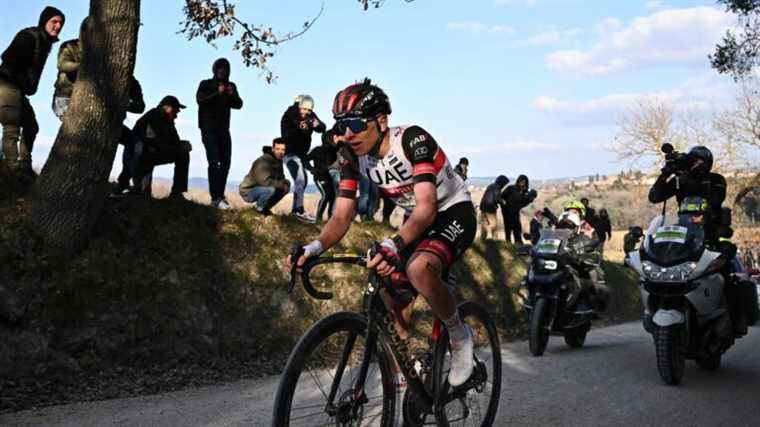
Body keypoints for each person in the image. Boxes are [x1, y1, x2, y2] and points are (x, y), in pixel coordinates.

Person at [289, 79, 476, 387]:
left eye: (355, 124)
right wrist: (313, 248)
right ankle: (408, 371)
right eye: (342, 126)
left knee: (418, 268)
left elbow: (427, 206)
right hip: (418, 219)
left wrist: (392, 242)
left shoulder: (412, 140)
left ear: (381, 120)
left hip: (452, 211)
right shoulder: (351, 156)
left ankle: (459, 334)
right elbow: (342, 214)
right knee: (390, 285)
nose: (348, 134)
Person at [648, 145, 745, 333]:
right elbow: (655, 197)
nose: (692, 164)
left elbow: (715, 199)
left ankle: (736, 318)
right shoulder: (679, 180)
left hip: (710, 236)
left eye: (696, 161)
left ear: (707, 163)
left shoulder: (716, 180)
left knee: (727, 272)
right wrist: (665, 174)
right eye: (690, 160)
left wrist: (688, 179)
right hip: (684, 237)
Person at [0, 6, 65, 178]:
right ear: (45, 22)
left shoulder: (44, 42)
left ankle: (24, 166)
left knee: (31, 126)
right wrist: (22, 78)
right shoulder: (30, 36)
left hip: (18, 89)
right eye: (54, 22)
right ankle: (12, 170)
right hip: (6, 85)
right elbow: (7, 57)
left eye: (61, 23)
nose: (58, 26)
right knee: (11, 127)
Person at [196, 58, 243, 210]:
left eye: (225, 68)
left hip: (224, 130)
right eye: (219, 68)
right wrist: (218, 93)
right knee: (214, 161)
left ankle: (220, 196)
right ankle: (215, 197)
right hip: (208, 128)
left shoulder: (231, 86)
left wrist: (231, 94)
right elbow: (200, 101)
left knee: (226, 162)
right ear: (215, 70)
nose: (222, 71)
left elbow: (239, 104)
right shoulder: (205, 84)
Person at [131, 96, 191, 198]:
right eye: (176, 109)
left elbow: (174, 141)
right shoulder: (153, 116)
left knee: (183, 154)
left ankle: (177, 193)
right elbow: (154, 143)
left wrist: (183, 145)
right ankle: (138, 189)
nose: (177, 114)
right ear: (167, 107)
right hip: (142, 155)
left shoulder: (168, 120)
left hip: (153, 152)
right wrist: (177, 148)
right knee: (142, 195)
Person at [280, 94, 326, 222]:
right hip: (290, 153)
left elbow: (322, 128)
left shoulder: (310, 115)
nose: (306, 112)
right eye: (303, 109)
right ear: (298, 106)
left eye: (309, 110)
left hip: (301, 154)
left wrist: (317, 125)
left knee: (304, 180)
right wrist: (303, 126)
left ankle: (298, 209)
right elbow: (293, 130)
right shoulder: (290, 114)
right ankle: (297, 210)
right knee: (300, 179)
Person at [558, 200, 609, 312]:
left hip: (580, 255)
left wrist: (581, 246)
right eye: (569, 211)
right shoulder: (560, 223)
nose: (572, 213)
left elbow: (594, 239)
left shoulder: (585, 225)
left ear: (581, 213)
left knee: (594, 275)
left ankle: (594, 307)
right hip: (561, 254)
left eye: (575, 211)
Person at [111, 77, 146, 196]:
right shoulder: (99, 68)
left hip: (114, 123)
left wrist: (123, 103)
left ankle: (123, 182)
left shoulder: (132, 82)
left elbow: (140, 107)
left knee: (136, 144)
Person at [239, 138, 290, 214]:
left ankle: (265, 209)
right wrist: (281, 184)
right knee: (270, 189)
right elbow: (264, 182)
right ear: (273, 149)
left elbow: (281, 179)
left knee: (284, 187)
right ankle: (258, 209)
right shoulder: (263, 161)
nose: (280, 152)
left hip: (263, 188)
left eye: (283, 150)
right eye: (278, 149)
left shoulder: (279, 161)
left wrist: (286, 183)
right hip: (249, 191)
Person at [52, 17, 87, 120]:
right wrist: (84, 66)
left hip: (85, 99)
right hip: (65, 97)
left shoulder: (102, 54)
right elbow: (62, 64)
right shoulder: (69, 46)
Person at [305, 137, 338, 223]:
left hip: (329, 177)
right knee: (326, 195)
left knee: (333, 196)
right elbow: (305, 160)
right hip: (319, 177)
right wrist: (311, 169)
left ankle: (330, 218)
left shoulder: (333, 150)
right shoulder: (317, 150)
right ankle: (318, 218)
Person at [499, 175, 537, 245]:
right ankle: (508, 244)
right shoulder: (511, 188)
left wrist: (529, 197)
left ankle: (518, 244)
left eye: (524, 182)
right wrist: (503, 206)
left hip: (515, 212)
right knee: (508, 229)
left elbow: (523, 203)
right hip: (506, 211)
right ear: (518, 181)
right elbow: (501, 197)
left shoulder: (524, 193)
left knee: (517, 229)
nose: (522, 183)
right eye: (521, 182)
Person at [479, 175, 508, 241]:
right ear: (502, 182)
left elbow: (489, 197)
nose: (504, 185)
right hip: (490, 209)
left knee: (484, 225)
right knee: (494, 225)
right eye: (504, 184)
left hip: (483, 207)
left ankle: (482, 240)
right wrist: (503, 203)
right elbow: (497, 198)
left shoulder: (491, 185)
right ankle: (496, 241)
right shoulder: (497, 188)